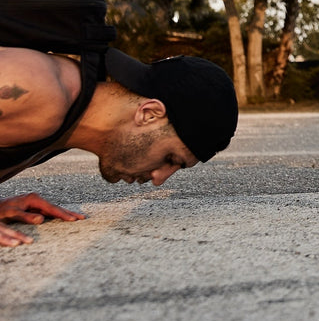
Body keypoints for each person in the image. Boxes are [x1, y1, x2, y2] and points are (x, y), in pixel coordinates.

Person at [1, 46, 239, 246]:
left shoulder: (61, 127)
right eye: (171, 159)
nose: (159, 179)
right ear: (149, 114)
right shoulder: (40, 89)